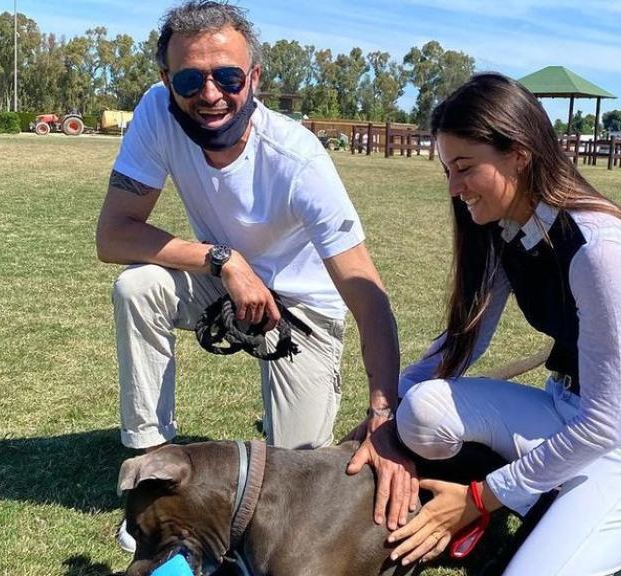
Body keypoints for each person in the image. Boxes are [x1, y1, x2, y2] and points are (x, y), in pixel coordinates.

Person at [386, 73, 621, 575]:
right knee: (422, 411)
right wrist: (383, 408)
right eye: (447, 171)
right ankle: (554, 511)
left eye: (465, 168)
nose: (454, 189)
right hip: (563, 407)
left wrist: (479, 498)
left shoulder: (599, 248)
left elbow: (605, 424)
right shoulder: (505, 229)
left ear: (519, 154)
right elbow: (464, 342)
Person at [95, 0, 414, 551]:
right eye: (191, 78)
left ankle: (292, 420)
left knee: (301, 476)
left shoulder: (298, 160)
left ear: (255, 77)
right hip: (224, 282)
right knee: (138, 286)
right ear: (167, 79)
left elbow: (367, 293)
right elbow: (114, 236)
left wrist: (383, 413)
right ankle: (150, 467)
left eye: (228, 76)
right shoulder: (154, 113)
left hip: (303, 312)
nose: (210, 95)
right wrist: (224, 260)